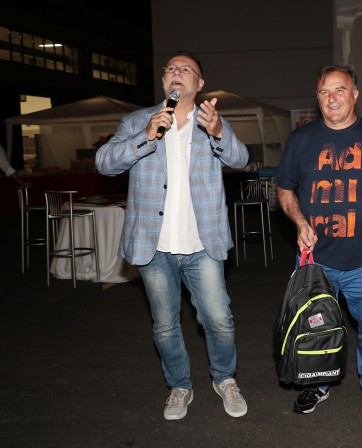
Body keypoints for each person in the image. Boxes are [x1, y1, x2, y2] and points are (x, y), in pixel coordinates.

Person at [95, 50, 249, 421]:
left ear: (199, 83)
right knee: (165, 325)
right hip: (155, 246)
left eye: (186, 69)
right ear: (165, 80)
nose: (176, 73)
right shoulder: (138, 120)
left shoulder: (211, 121)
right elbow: (104, 163)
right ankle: (179, 386)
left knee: (219, 319)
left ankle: (225, 379)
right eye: (171, 69)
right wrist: (145, 136)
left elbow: (241, 159)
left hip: (202, 244)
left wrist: (218, 132)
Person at [276, 64, 362, 418]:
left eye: (340, 90)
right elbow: (284, 189)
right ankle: (317, 383)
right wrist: (300, 221)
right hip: (315, 258)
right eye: (324, 92)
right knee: (314, 325)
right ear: (317, 97)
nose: (332, 98)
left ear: (355, 94)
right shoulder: (301, 140)